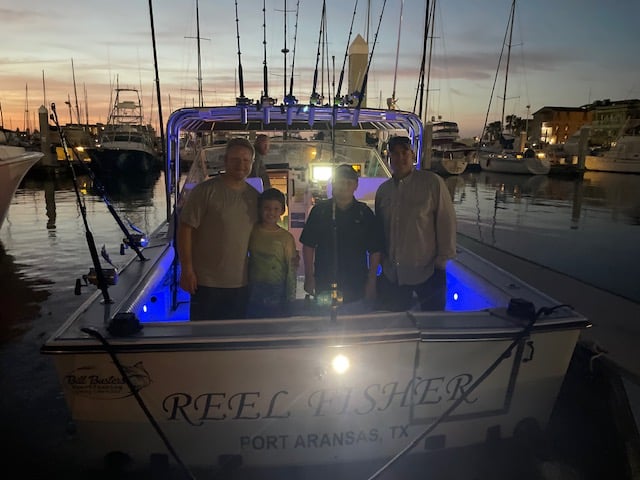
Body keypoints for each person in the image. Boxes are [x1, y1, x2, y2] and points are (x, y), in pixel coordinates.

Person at [177, 137, 259, 320]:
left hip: (241, 283)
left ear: (252, 163)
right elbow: (185, 230)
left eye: (246, 160)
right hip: (206, 282)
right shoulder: (205, 191)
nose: (241, 165)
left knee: (236, 339)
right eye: (236, 159)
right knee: (203, 338)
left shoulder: (255, 197)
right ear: (225, 161)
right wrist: (187, 270)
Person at [375, 135, 457, 311]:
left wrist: (442, 261)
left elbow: (446, 222)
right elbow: (380, 229)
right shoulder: (383, 191)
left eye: (405, 152)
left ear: (413, 155)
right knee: (394, 327)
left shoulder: (433, 183)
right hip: (393, 274)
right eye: (395, 154)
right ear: (389, 158)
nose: (400, 158)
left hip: (428, 272)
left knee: (433, 325)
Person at [300, 164, 382, 305]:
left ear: (356, 185)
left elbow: (375, 250)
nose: (344, 186)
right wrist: (309, 277)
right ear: (333, 183)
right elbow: (308, 245)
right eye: (340, 182)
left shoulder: (364, 213)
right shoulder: (319, 211)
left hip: (356, 285)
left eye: (349, 182)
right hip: (324, 283)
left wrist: (371, 281)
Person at [246, 188, 298, 317]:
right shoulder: (251, 231)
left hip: (277, 290)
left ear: (282, 210)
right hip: (252, 288)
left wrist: (291, 298)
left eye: (276, 209)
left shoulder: (286, 237)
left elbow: (291, 269)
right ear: (259, 209)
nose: (271, 212)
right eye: (267, 208)